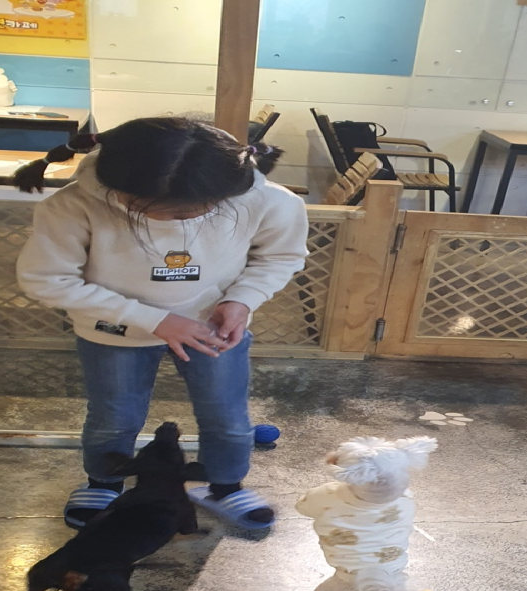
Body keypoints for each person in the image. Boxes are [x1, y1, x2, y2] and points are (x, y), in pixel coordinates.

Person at [15, 117, 309, 530]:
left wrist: (242, 300)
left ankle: (224, 485)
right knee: (114, 417)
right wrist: (153, 320)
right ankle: (104, 482)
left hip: (211, 326)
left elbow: (280, 257)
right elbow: (46, 279)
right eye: (153, 210)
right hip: (113, 330)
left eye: (193, 211)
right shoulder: (72, 206)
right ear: (118, 187)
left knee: (227, 416)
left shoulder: (268, 201)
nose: (176, 220)